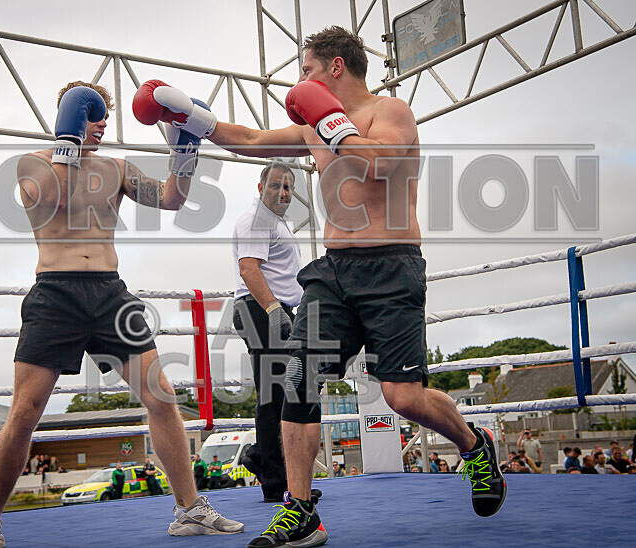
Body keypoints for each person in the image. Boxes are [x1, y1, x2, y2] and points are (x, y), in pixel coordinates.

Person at [134, 26, 506, 547]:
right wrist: (192, 118)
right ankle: (301, 509)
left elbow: (381, 163)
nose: (300, 81)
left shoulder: (389, 112)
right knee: (297, 377)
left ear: (334, 67)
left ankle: (473, 444)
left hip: (392, 267)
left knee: (403, 397)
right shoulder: (314, 127)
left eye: (306, 70)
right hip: (333, 272)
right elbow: (251, 140)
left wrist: (333, 126)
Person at [0, 81, 243, 547]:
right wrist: (67, 140)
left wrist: (186, 150)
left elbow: (171, 199)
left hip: (109, 292)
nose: (102, 122)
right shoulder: (32, 166)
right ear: (71, 116)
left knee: (162, 396)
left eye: (105, 114)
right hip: (56, 295)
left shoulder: (118, 169)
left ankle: (190, 509)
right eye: (92, 113)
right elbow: (58, 200)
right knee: (25, 411)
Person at [232, 162, 303, 503]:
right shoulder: (257, 220)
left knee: (283, 392)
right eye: (276, 185)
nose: (282, 192)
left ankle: (264, 460)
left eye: (288, 187)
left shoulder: (277, 223)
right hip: (261, 308)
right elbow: (249, 269)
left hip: (274, 309)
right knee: (275, 395)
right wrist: (274, 310)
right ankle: (276, 483)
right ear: (261, 188)